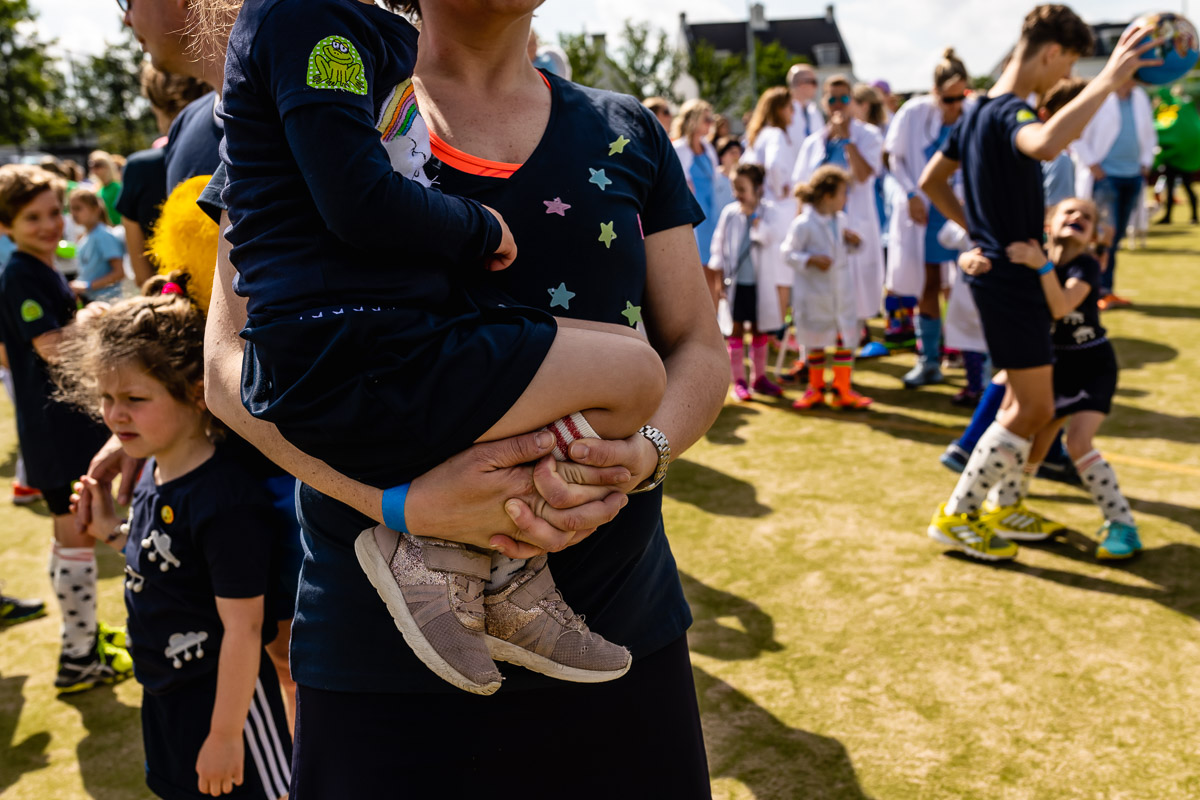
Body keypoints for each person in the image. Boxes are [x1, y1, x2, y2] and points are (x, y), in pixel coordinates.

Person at [200, 0, 725, 792]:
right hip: (378, 649)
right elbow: (227, 365)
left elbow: (696, 346)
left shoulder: (628, 130)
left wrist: (640, 456)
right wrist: (400, 506)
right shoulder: (319, 89)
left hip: (614, 614)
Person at [919, 5, 1156, 561]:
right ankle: (957, 516)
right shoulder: (1007, 114)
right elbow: (1046, 144)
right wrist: (1109, 78)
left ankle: (1003, 506)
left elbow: (931, 180)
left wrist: (977, 231)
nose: (1063, 76)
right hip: (1012, 281)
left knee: (1038, 407)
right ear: (1052, 52)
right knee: (1029, 410)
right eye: (1069, 62)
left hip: (1002, 272)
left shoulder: (974, 111)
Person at [64, 275, 292, 799]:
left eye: (134, 398)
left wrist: (225, 735)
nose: (114, 414)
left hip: (224, 704)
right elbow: (171, 568)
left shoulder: (226, 500)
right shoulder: (156, 471)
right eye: (106, 397)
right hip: (165, 698)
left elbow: (244, 628)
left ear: (195, 392)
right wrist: (112, 533)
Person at [0, 164, 131, 690]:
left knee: (70, 535)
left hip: (61, 426)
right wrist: (91, 317)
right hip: (53, 431)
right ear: (7, 226)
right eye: (33, 217)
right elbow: (49, 347)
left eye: (54, 212)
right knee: (74, 533)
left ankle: (85, 638)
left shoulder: (42, 268)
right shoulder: (20, 277)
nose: (50, 224)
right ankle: (77, 655)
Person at [1004, 199, 1140, 558]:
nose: (1078, 217)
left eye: (1088, 217)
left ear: (1093, 235)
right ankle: (1010, 507)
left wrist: (1042, 265)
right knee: (1036, 445)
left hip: (1092, 366)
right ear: (1048, 223)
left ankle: (1122, 524)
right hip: (1051, 366)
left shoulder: (1086, 266)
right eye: (1070, 212)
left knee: (1078, 443)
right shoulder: (1031, 259)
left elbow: (1061, 306)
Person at [884, 48, 972, 388]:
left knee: (967, 286)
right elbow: (896, 159)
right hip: (926, 212)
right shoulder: (913, 113)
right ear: (935, 92)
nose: (955, 105)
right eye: (948, 98)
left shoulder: (974, 111)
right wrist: (910, 194)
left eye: (961, 96)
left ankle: (971, 357)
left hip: (963, 211)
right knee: (929, 285)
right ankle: (929, 359)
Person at [793, 75, 886, 349]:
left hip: (853, 225)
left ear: (852, 102)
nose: (837, 105)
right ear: (824, 102)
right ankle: (815, 363)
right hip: (818, 230)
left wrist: (847, 141)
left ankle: (848, 364)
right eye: (831, 99)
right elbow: (803, 187)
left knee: (853, 295)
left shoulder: (868, 135)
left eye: (843, 99)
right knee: (818, 294)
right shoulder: (813, 143)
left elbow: (865, 174)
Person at [782, 165, 872, 410]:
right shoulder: (803, 224)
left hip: (840, 294)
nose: (847, 199)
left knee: (844, 339)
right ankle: (816, 388)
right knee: (815, 341)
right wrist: (809, 259)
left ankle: (843, 388)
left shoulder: (840, 221)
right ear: (827, 196)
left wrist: (855, 242)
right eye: (843, 193)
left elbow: (843, 251)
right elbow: (787, 253)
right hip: (814, 295)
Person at [117, 64, 212, 286]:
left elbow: (142, 276)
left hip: (174, 302)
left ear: (156, 104)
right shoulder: (235, 148)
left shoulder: (139, 168)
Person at [1072, 78, 1155, 307]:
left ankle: (1104, 289)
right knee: (1103, 235)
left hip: (1133, 176)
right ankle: (1094, 289)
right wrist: (1093, 165)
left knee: (1115, 237)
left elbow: (1149, 134)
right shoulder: (1098, 96)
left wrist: (1145, 164)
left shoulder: (1140, 98)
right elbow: (1077, 132)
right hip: (1105, 178)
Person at [709, 163, 786, 400]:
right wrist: (719, 281)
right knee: (736, 329)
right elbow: (718, 247)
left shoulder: (769, 212)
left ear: (758, 188)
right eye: (735, 188)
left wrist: (757, 223)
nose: (737, 194)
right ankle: (739, 380)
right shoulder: (730, 213)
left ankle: (759, 377)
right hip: (736, 284)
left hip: (759, 283)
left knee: (759, 328)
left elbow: (773, 237)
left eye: (742, 188)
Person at [742, 86, 797, 342]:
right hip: (778, 210)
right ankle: (777, 333)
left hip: (762, 210)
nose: (793, 113)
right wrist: (781, 187)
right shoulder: (775, 134)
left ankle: (770, 330)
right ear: (779, 109)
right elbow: (775, 166)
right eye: (789, 107)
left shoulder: (757, 136)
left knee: (768, 273)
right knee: (782, 275)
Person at [67, 188, 128, 304]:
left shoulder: (103, 235)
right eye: (71, 209)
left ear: (95, 209)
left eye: (78, 208)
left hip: (107, 301)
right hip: (93, 301)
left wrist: (87, 285)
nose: (73, 214)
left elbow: (119, 273)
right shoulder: (86, 236)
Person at [786, 63, 826, 153]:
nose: (816, 87)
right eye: (814, 82)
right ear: (801, 84)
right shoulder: (783, 111)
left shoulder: (813, 111)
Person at [86, 151, 123, 226]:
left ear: (107, 166)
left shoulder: (117, 187)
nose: (93, 169)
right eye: (91, 165)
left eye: (97, 165)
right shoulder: (98, 188)